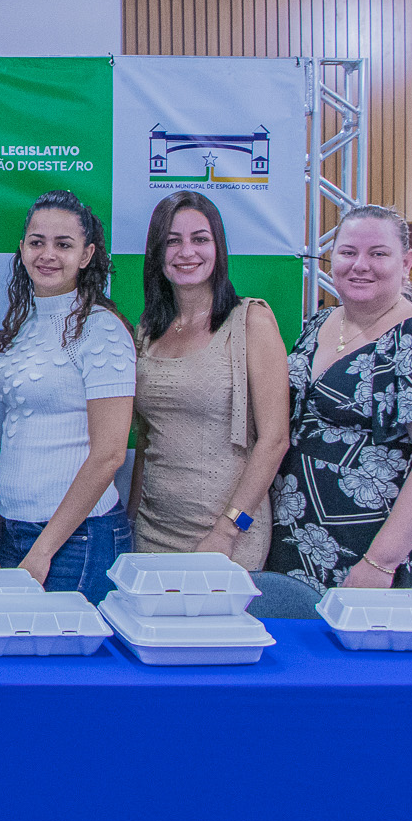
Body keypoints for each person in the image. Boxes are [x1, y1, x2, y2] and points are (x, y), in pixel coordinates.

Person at [267, 205, 412, 591]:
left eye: (378, 253)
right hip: (298, 540)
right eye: (348, 253)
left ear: (406, 261)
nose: (360, 265)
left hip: (376, 557)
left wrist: (380, 563)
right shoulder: (319, 323)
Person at [126, 191, 290, 569]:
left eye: (200, 239)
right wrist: (132, 517)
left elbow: (275, 440)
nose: (187, 252)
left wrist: (228, 531)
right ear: (156, 254)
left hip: (228, 536)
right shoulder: (148, 331)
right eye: (172, 241)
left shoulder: (251, 321)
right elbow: (147, 438)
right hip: (152, 531)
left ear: (218, 248)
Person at [0, 191, 136, 594]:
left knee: (68, 659)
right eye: (37, 242)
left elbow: (109, 455)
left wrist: (43, 549)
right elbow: (22, 431)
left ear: (86, 256)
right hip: (19, 531)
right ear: (21, 250)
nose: (47, 254)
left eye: (63, 244)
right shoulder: (24, 324)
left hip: (75, 542)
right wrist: (2, 514)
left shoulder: (100, 329)